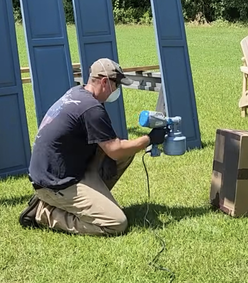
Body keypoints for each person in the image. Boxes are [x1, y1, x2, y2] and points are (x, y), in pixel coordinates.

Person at [19, 58, 167, 236]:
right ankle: (43, 213)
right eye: (116, 84)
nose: (117, 89)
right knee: (115, 223)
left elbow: (113, 147)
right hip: (55, 183)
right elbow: (115, 150)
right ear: (104, 82)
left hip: (61, 170)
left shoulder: (77, 93)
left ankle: (89, 202)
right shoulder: (91, 108)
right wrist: (149, 139)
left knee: (126, 152)